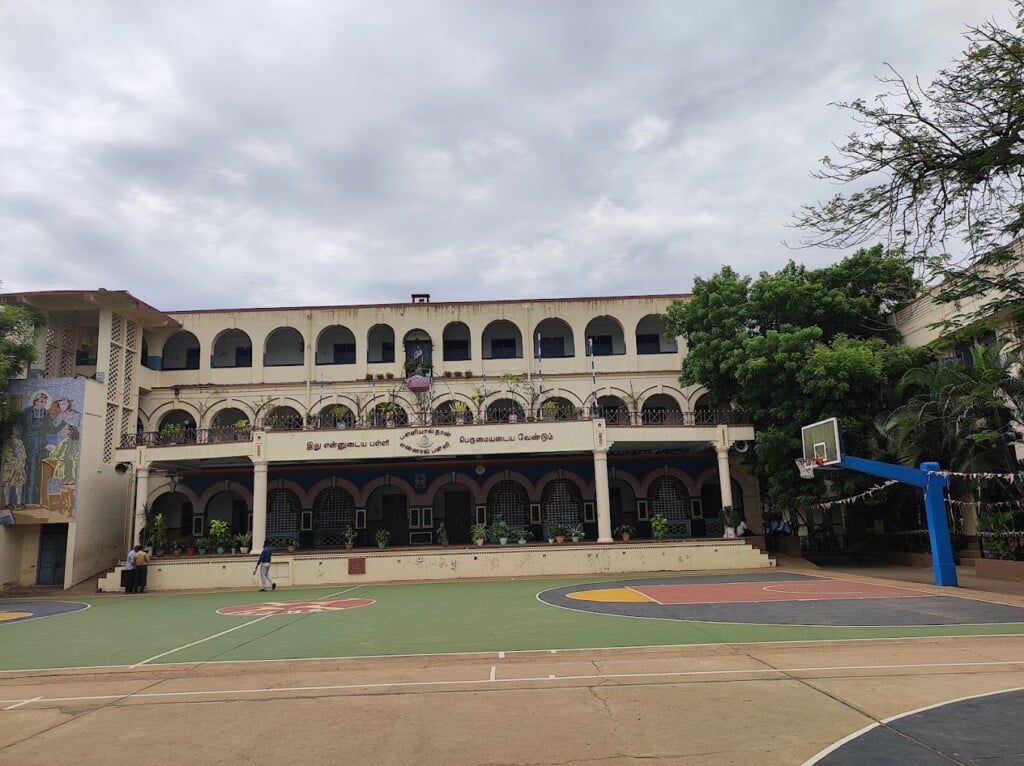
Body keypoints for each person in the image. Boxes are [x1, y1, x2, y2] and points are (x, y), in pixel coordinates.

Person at [2, 424, 28, 509]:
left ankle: (18, 502)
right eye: (14, 430)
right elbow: (8, 455)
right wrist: (16, 462)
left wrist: (21, 461)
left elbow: (23, 453)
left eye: (16, 430)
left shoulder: (20, 442)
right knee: (8, 485)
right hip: (10, 467)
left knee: (19, 484)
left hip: (19, 467)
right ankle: (7, 503)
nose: (16, 431)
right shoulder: (7, 443)